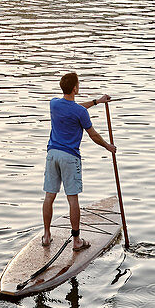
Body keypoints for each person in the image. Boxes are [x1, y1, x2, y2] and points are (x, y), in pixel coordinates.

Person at [41, 72, 114, 252]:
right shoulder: (79, 112)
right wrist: (107, 146)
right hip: (69, 157)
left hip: (52, 155)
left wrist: (97, 102)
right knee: (72, 199)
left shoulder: (54, 104)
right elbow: (93, 135)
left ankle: (46, 235)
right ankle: (76, 241)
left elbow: (74, 108)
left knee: (49, 196)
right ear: (75, 88)